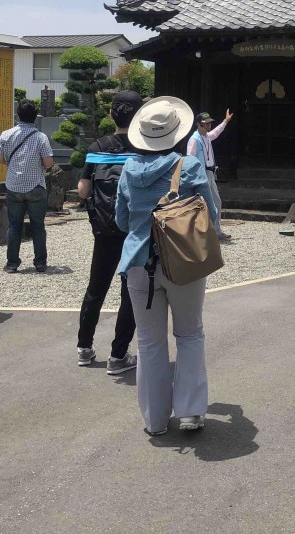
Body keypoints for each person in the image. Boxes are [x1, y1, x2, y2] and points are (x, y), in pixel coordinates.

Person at [116, 96, 219, 436]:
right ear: (176, 133)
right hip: (183, 260)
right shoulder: (188, 167)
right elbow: (212, 218)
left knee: (149, 342)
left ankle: (155, 421)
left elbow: (120, 221)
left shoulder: (128, 171)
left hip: (137, 261)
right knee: (189, 334)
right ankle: (190, 411)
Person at [75, 90, 143, 374]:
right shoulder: (145, 148)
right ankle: (118, 356)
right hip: (135, 231)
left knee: (96, 287)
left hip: (104, 229)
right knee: (130, 291)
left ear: (111, 114)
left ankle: (85, 348)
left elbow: (83, 190)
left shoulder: (97, 146)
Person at [0, 100, 54, 273]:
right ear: (35, 117)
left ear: (18, 114)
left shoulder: (6, 134)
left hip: (13, 186)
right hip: (36, 186)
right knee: (38, 226)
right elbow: (49, 162)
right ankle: (40, 263)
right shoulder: (41, 137)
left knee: (14, 226)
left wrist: (12, 165)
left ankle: (12, 264)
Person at [186, 109, 232, 240]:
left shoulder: (206, 137)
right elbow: (190, 159)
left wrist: (225, 121)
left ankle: (214, 230)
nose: (209, 125)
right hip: (201, 175)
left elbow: (216, 133)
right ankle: (211, 231)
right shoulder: (194, 140)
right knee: (209, 203)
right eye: (206, 123)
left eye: (210, 123)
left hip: (209, 172)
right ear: (199, 124)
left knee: (214, 202)